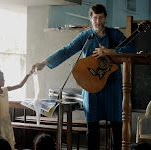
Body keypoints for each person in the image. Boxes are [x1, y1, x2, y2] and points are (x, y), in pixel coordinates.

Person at [32, 4, 136, 150]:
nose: (98, 21)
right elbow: (67, 50)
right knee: (92, 128)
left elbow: (132, 48)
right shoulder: (86, 36)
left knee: (117, 126)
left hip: (112, 85)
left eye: (101, 18)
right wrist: (44, 62)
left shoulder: (114, 34)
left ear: (105, 18)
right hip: (91, 84)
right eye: (95, 18)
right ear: (90, 19)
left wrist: (111, 51)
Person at [0, 68, 34, 150]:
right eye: (1, 78)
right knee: (0, 144)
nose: (4, 80)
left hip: (6, 121)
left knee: (9, 141)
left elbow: (20, 85)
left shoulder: (5, 90)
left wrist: (27, 75)